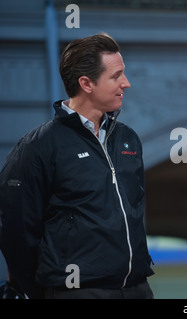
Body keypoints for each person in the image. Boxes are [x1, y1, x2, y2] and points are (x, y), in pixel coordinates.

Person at [0, 33, 155, 299]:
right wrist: (45, 291)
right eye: (116, 76)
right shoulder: (39, 146)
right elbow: (16, 230)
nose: (126, 84)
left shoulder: (128, 139)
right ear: (86, 83)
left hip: (137, 289)